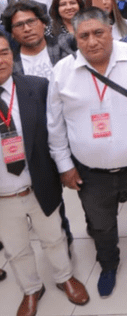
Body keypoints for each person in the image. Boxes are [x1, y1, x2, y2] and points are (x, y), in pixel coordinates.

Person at [47, 8, 127, 299]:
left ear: (110, 30)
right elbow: (55, 125)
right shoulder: (62, 72)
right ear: (75, 37)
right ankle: (109, 264)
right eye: (83, 36)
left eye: (98, 33)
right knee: (101, 225)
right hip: (91, 172)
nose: (92, 41)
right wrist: (64, 166)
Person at [0, 32, 90, 316]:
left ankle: (64, 277)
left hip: (38, 184)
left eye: (3, 52)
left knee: (54, 237)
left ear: (12, 54)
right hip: (2, 196)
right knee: (16, 248)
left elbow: (56, 131)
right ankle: (31, 289)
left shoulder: (37, 87)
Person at [2, 0, 73, 78]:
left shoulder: (65, 44)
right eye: (19, 25)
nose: (27, 29)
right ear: (12, 33)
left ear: (44, 23)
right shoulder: (10, 63)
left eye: (31, 21)